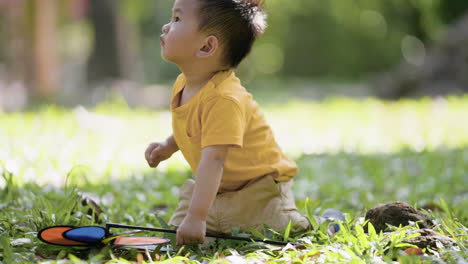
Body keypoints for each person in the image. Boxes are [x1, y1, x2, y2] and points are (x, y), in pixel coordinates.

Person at [144, 0, 343, 246]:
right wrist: (168, 145)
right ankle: (212, 218)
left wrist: (197, 217)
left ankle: (329, 222)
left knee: (283, 232)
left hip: (258, 191)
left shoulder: (225, 99)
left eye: (176, 20)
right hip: (220, 190)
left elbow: (214, 159)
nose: (165, 27)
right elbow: (197, 129)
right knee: (178, 237)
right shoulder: (184, 84)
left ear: (207, 46)